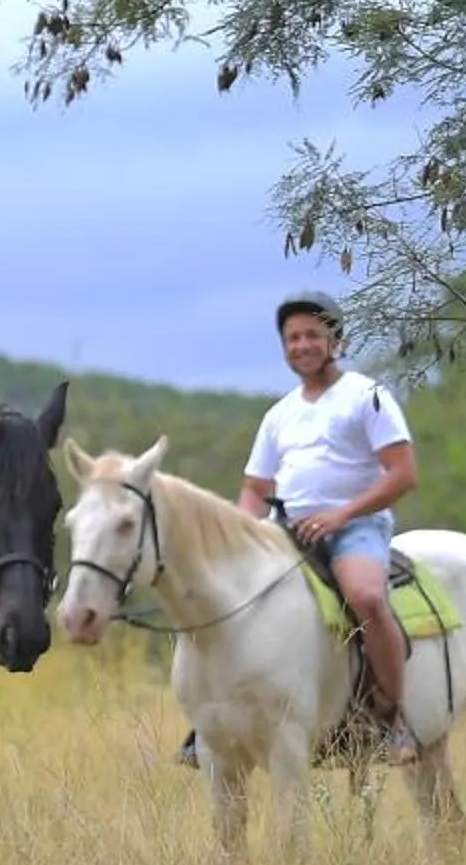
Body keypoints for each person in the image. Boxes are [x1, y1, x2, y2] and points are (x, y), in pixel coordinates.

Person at [179, 291, 420, 768]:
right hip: (283, 531)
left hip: (355, 526)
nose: (302, 345)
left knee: (366, 596)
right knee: (221, 597)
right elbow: (254, 489)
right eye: (292, 337)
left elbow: (402, 475)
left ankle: (391, 719)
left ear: (335, 339)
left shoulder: (367, 396)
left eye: (313, 334)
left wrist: (341, 514)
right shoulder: (279, 414)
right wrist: (235, 536)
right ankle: (207, 724)